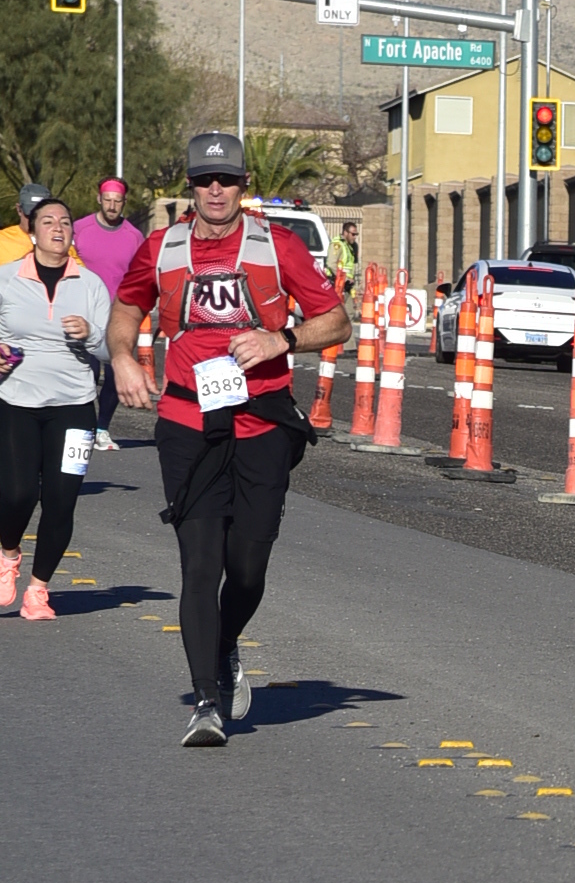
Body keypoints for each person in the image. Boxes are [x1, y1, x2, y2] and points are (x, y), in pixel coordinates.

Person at [109, 129, 348, 747]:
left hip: (262, 422)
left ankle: (224, 644)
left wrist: (280, 339)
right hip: (188, 424)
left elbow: (335, 320)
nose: (215, 190)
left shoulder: (278, 245)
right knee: (199, 563)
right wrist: (123, 357)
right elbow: (127, 309)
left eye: (227, 180)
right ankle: (206, 704)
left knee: (247, 568)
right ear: (190, 186)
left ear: (244, 185)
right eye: (204, 180)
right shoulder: (162, 248)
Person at [0, 195, 113, 622]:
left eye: (65, 222)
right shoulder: (6, 279)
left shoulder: (91, 285)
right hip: (17, 400)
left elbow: (110, 348)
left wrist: (90, 333)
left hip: (75, 405)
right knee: (18, 493)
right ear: (32, 230)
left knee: (61, 500)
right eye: (47, 221)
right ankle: (8, 553)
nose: (58, 228)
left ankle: (38, 590)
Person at [73, 179, 145, 437]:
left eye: (117, 201)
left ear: (124, 203)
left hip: (118, 315)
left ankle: (102, 429)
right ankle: (84, 427)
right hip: (83, 312)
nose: (112, 206)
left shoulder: (134, 236)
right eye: (108, 200)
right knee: (87, 374)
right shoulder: (79, 229)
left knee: (115, 374)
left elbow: (141, 276)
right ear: (99, 199)